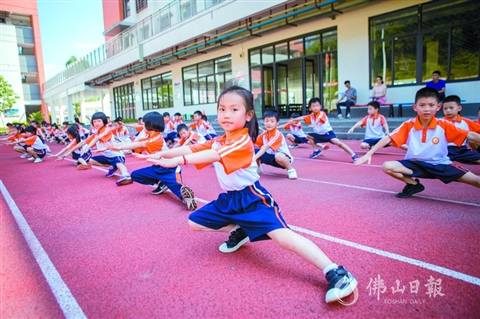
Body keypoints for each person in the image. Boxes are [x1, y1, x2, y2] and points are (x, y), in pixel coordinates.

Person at [142, 81, 357, 304]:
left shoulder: (242, 140)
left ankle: (336, 272)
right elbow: (193, 148)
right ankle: (242, 229)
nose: (226, 114)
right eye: (222, 109)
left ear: (248, 115)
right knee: (195, 222)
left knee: (283, 238)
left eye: (234, 109)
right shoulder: (219, 139)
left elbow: (212, 156)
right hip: (229, 199)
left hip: (253, 198)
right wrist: (163, 155)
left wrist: (177, 161)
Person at [355, 87, 480, 198]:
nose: (426, 109)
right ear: (415, 107)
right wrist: (369, 153)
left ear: (438, 107)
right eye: (422, 105)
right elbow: (388, 138)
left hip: (440, 165)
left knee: (476, 181)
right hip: (416, 165)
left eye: (431, 105)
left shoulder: (443, 125)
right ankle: (413, 184)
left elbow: (470, 135)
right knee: (387, 166)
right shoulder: (409, 125)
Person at [106, 112, 197, 210]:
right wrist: (115, 146)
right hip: (156, 168)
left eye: (143, 124)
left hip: (169, 169)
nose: (142, 126)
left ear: (150, 125)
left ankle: (187, 199)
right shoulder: (148, 137)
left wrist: (119, 148)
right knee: (135, 175)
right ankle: (162, 183)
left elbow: (139, 145)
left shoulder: (157, 139)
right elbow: (134, 143)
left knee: (176, 187)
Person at [72, 112, 132, 186]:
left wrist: (87, 148)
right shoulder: (96, 132)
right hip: (107, 156)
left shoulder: (106, 130)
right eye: (94, 121)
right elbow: (84, 141)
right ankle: (112, 167)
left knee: (118, 163)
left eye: (99, 121)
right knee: (90, 160)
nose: (96, 123)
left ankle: (126, 175)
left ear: (104, 121)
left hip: (116, 153)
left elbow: (97, 138)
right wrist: (70, 151)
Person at [255, 110, 297, 179]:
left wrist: (253, 159)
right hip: (271, 157)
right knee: (253, 151)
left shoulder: (277, 134)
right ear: (264, 122)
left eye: (272, 121)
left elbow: (266, 147)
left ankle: (290, 169)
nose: (269, 123)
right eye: (267, 121)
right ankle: (258, 168)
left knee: (278, 155)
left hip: (283, 159)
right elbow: (254, 144)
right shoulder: (263, 134)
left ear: (277, 122)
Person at [442, 95, 480, 164]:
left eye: (451, 108)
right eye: (445, 108)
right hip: (444, 150)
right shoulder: (440, 122)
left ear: (459, 108)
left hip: (461, 150)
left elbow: (478, 129)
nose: (448, 110)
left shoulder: (466, 121)